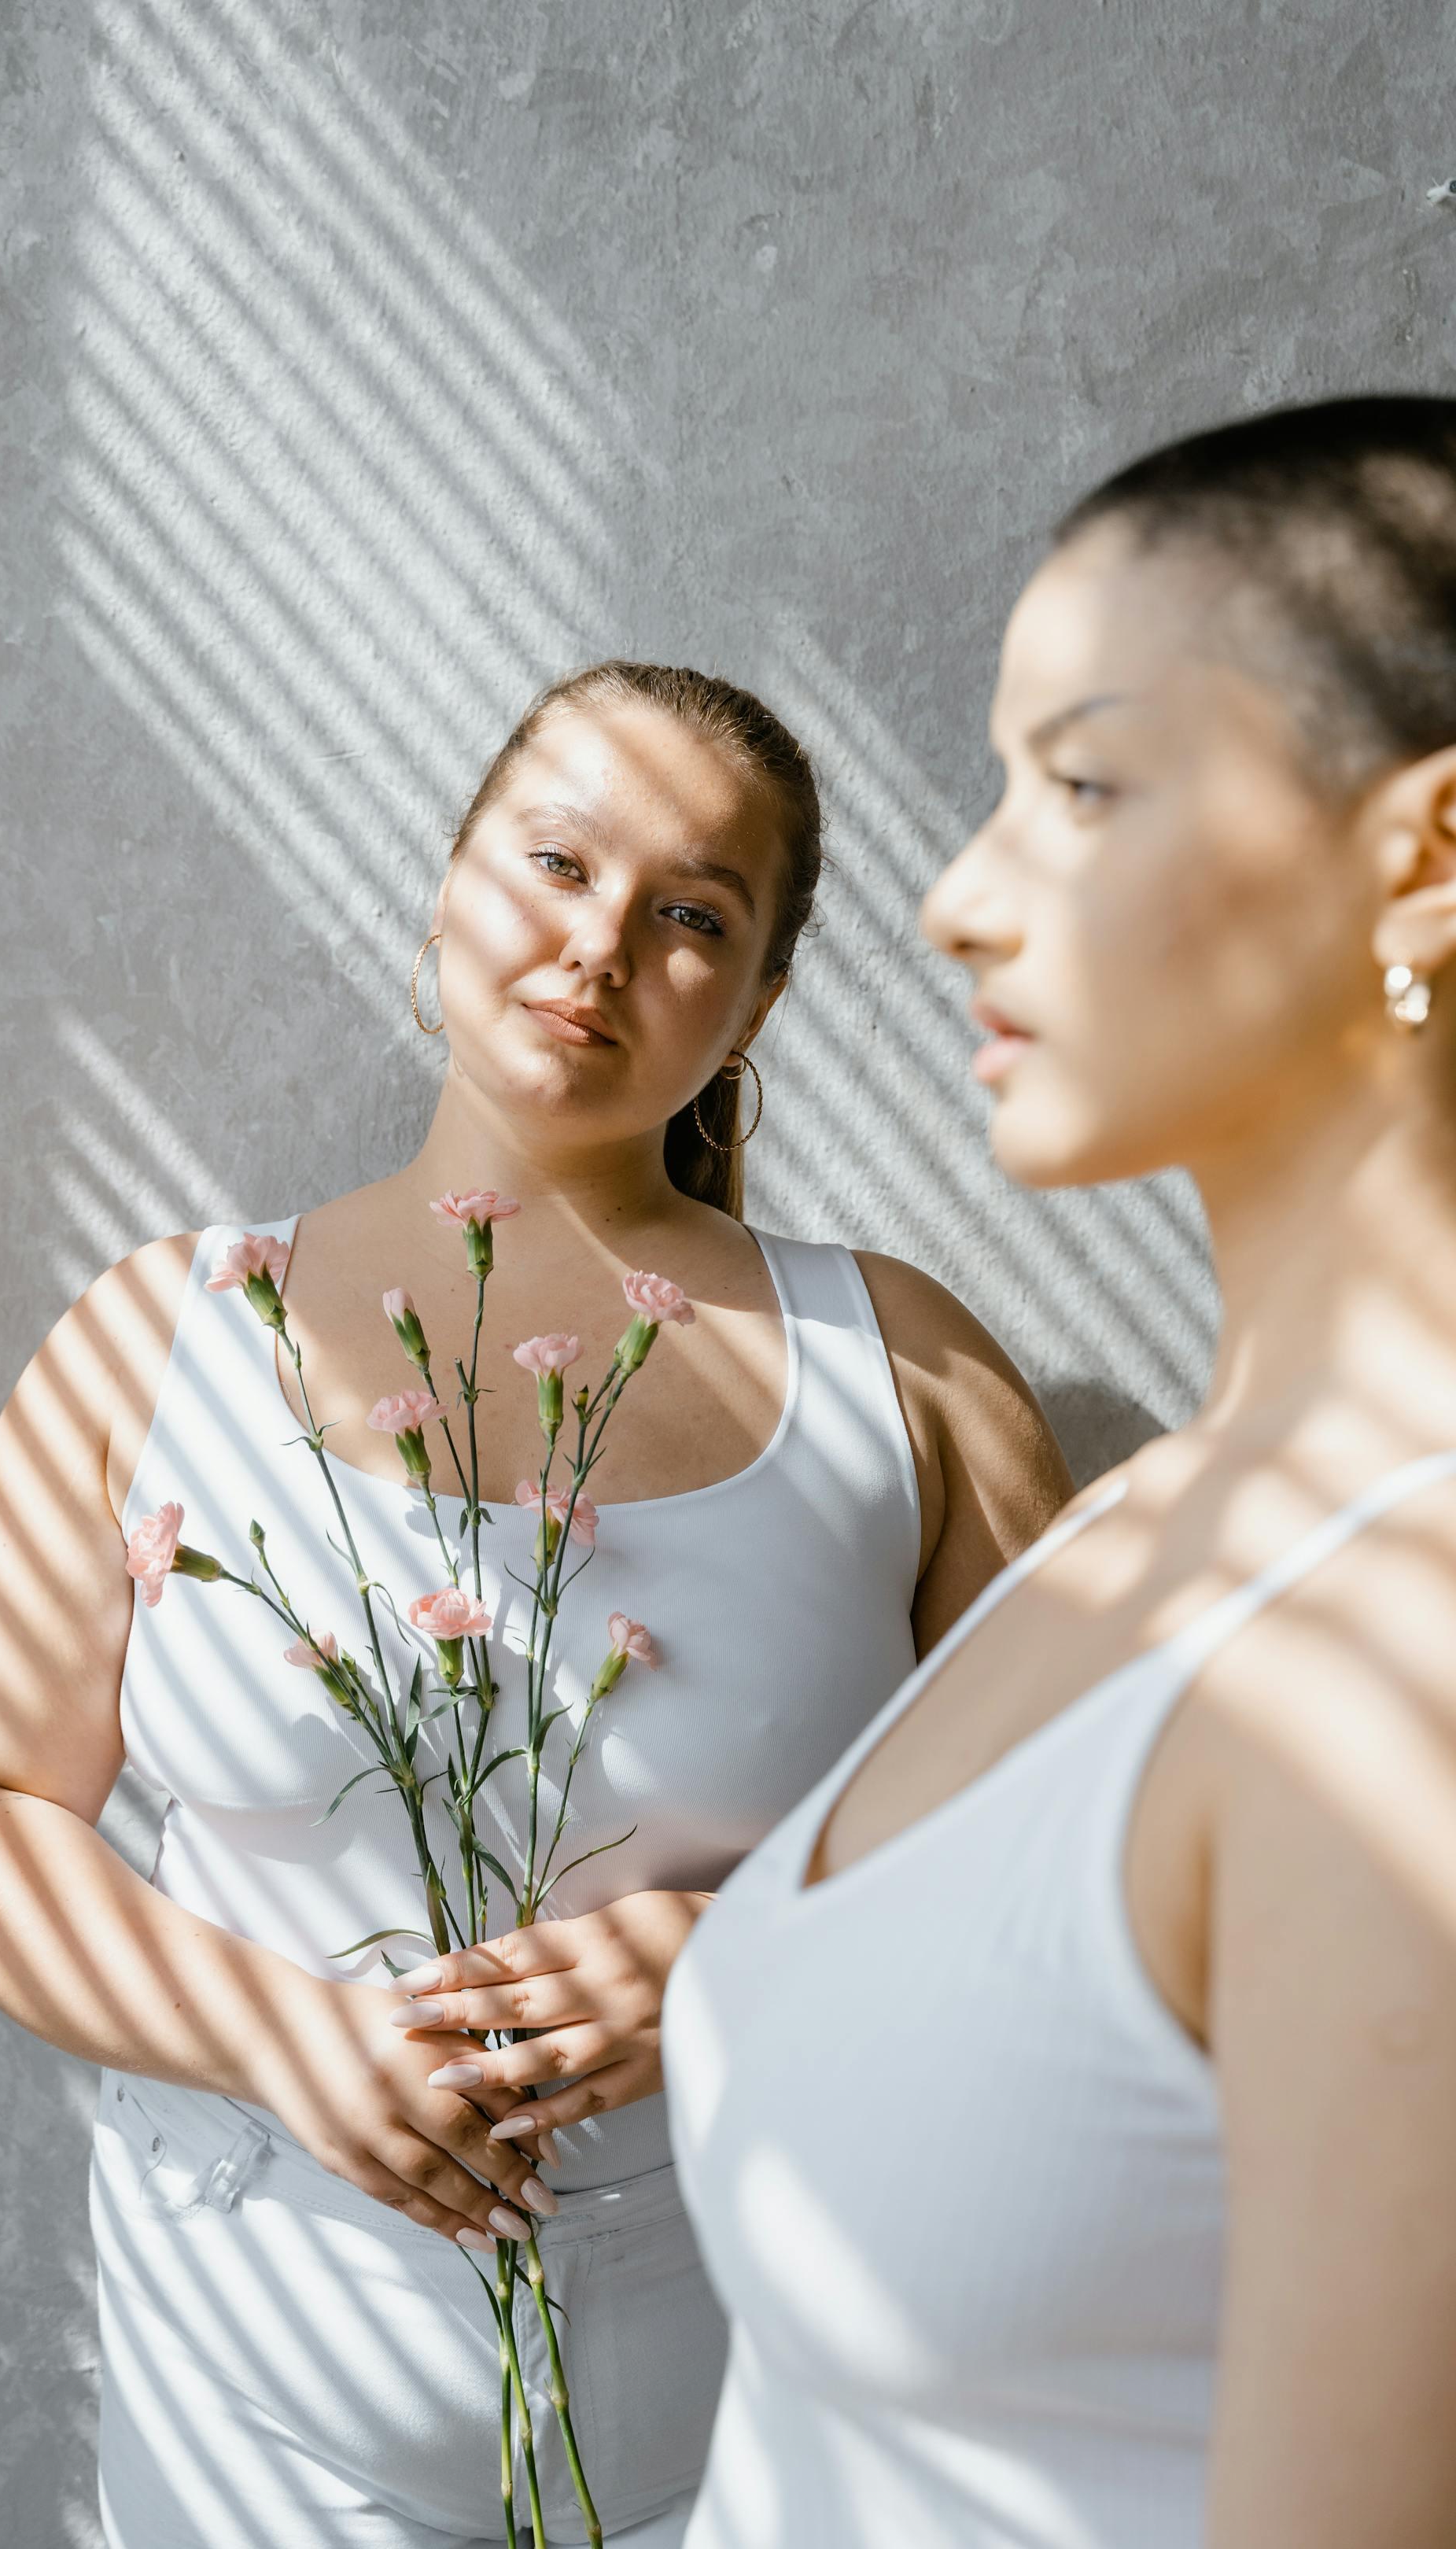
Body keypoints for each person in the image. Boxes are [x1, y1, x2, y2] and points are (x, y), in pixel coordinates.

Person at [0, 659, 1070, 2549]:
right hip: (245, 2433)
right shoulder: (161, 1337)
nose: (599, 944)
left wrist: (757, 1958)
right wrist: (281, 2041)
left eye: (693, 917)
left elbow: (1095, 1873)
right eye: (555, 862)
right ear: (446, 884)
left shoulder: (905, 1371)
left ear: (759, 1002)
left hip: (779, 2430)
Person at [665, 399, 1456, 2549]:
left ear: (1426, 855)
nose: (949, 899)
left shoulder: (1406, 1680)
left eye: (1085, 785)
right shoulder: (1141, 1516)